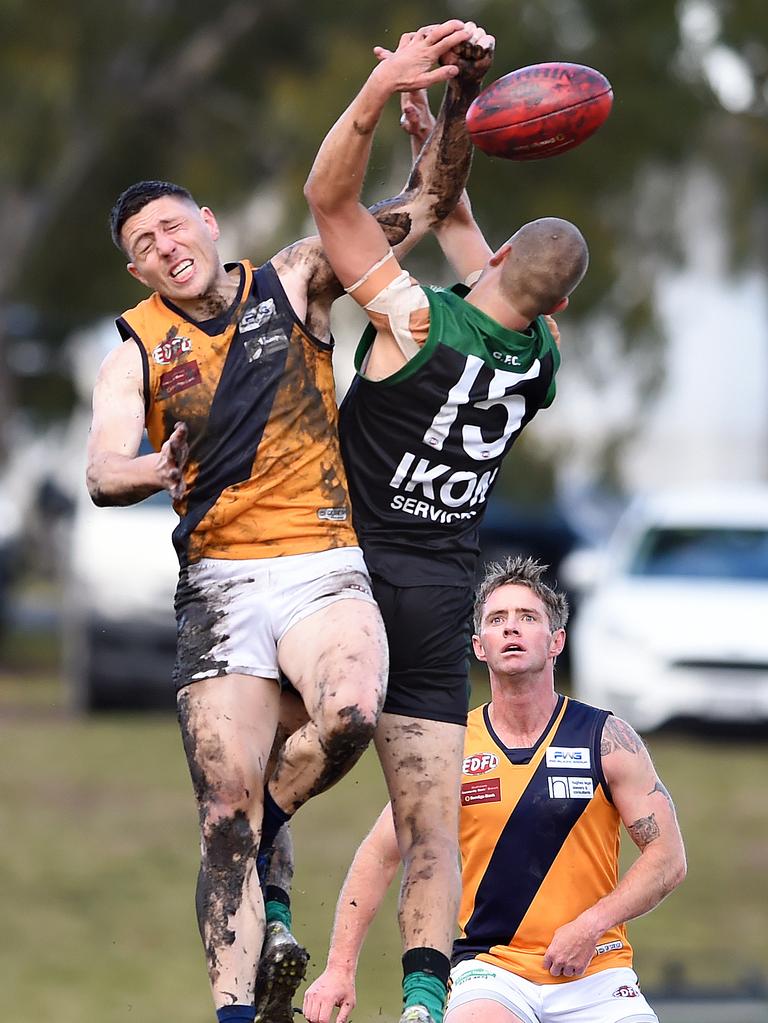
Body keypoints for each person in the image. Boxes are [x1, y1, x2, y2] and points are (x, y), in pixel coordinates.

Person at [86, 20, 492, 1023]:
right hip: (219, 586)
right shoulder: (134, 350)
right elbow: (100, 468)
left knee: (351, 712)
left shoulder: (300, 278)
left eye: (173, 229)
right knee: (218, 812)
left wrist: (459, 100)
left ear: (210, 224)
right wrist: (149, 466)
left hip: (321, 563)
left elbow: (429, 202)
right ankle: (238, 1007)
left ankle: (272, 835)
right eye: (144, 249)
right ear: (136, 274)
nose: (164, 249)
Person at [303, 28, 587, 1023]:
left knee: (287, 755)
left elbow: (332, 207)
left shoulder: (414, 317)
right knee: (429, 821)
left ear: (504, 260)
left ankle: (270, 885)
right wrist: (449, 141)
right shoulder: (543, 360)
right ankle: (425, 1001)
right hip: (439, 586)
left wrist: (392, 94)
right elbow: (479, 237)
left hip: (343, 567)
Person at [303, 556, 687, 1023]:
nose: (511, 629)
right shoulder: (452, 748)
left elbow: (667, 859)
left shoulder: (606, 739)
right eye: (497, 620)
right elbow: (380, 854)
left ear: (556, 641)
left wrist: (591, 925)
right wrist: (339, 970)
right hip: (491, 969)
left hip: (598, 971)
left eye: (527, 618)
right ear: (478, 646)